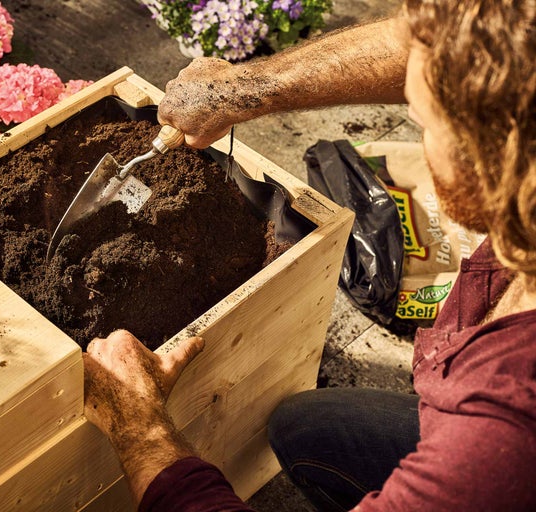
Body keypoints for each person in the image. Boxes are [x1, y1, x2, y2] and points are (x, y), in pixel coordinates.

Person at [83, 1, 536, 510]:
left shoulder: (498, 439)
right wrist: (238, 90)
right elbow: (438, 45)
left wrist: (140, 429)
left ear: (501, 155)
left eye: (427, 127)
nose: (419, 141)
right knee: (306, 431)